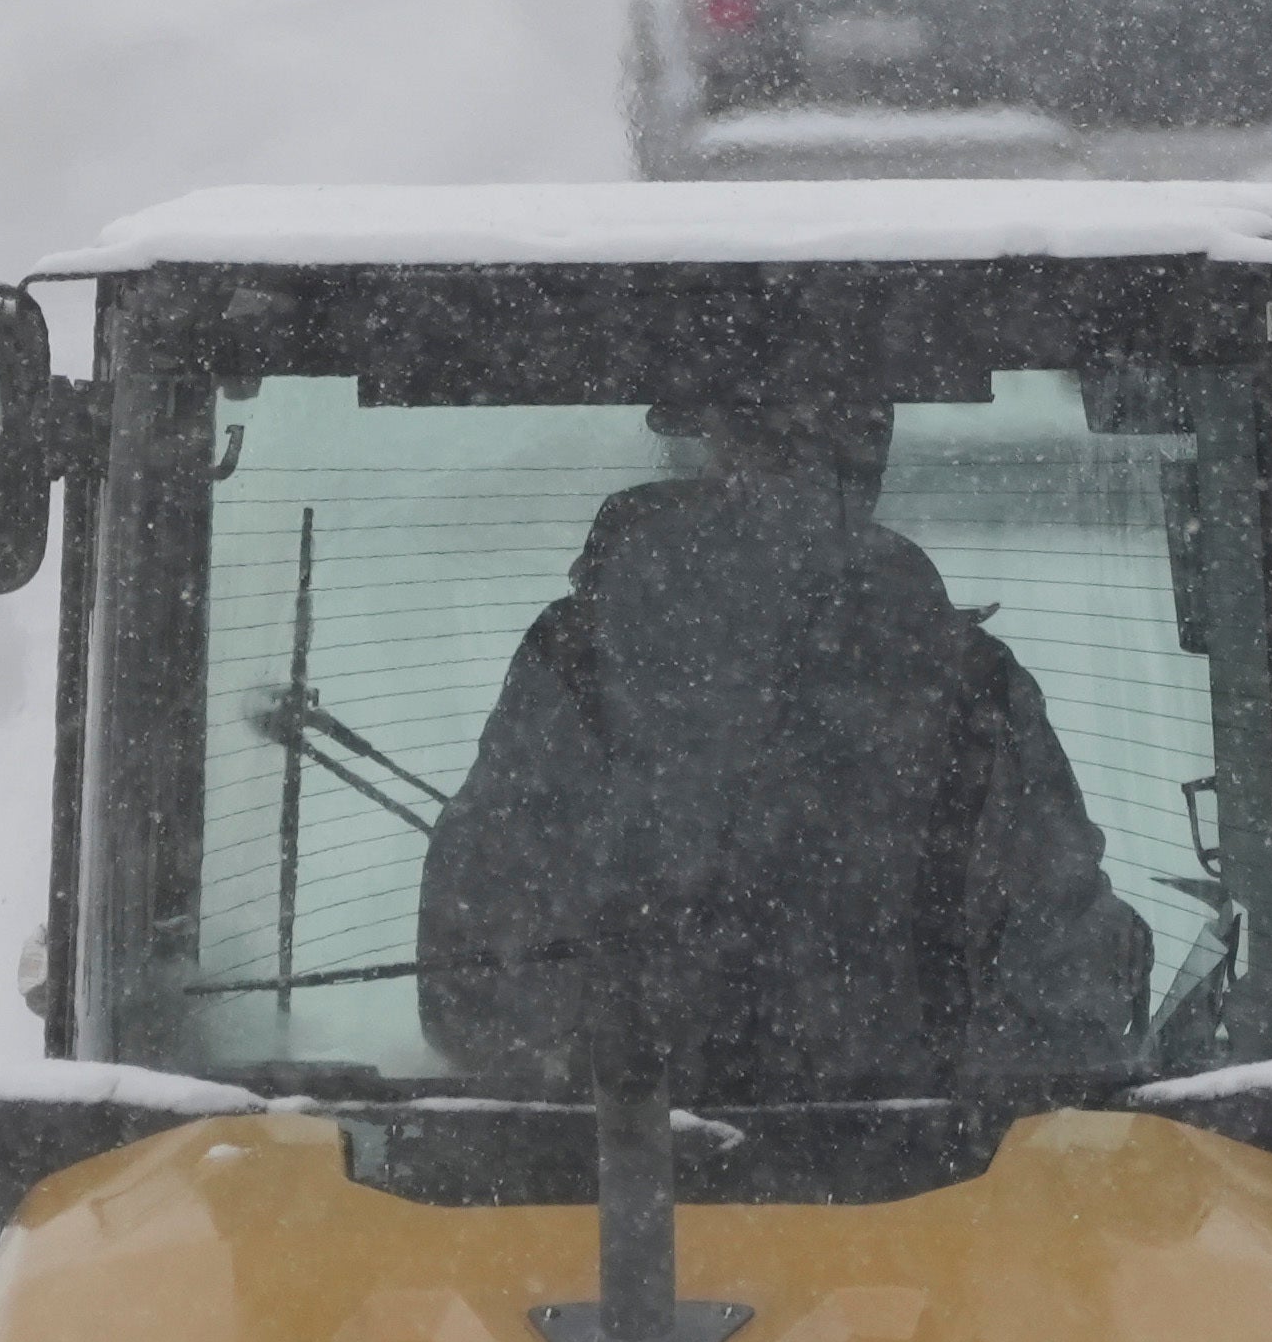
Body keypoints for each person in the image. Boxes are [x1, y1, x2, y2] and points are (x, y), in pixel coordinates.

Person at [414, 392, 1149, 1099]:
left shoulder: (579, 660)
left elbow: (478, 967)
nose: (805, 482)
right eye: (783, 441)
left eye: (837, 443)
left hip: (615, 1174)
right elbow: (1064, 979)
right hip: (888, 1175)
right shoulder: (966, 684)